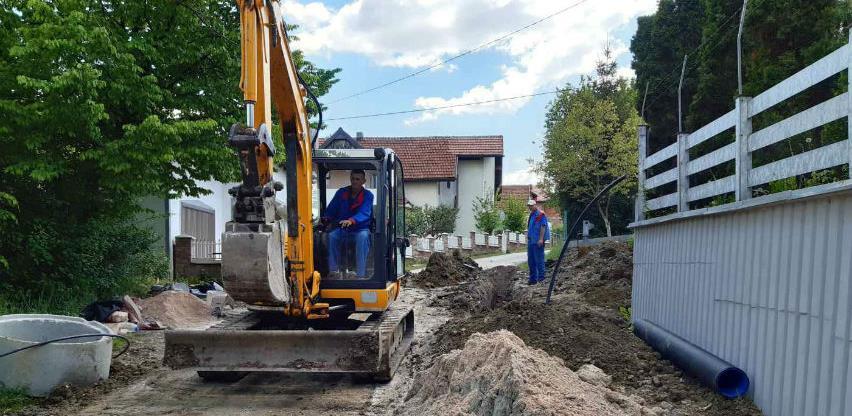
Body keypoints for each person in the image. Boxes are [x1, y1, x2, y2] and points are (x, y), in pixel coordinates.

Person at [325, 169, 374, 278]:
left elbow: (365, 212)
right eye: (353, 179)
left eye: (358, 179)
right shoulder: (341, 192)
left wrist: (351, 220)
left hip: (360, 229)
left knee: (362, 237)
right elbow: (332, 208)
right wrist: (326, 218)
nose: (355, 181)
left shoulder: (368, 195)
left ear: (363, 181)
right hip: (344, 230)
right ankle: (334, 271)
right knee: (332, 236)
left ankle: (360, 275)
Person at [526, 198, 550, 285]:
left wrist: (541, 239)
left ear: (535, 205)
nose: (530, 207)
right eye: (529, 206)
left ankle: (541, 278)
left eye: (531, 206)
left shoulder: (540, 215)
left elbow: (543, 227)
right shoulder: (531, 215)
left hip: (538, 241)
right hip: (531, 241)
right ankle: (533, 279)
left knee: (539, 260)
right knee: (531, 261)